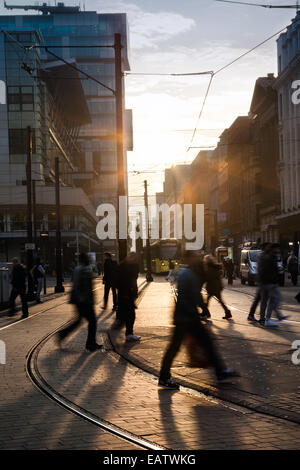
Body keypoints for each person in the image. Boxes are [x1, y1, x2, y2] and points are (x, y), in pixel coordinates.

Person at [158, 251, 239, 390]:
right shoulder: (187, 274)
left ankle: (220, 371)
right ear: (189, 259)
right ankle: (164, 377)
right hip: (187, 318)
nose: (198, 258)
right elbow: (188, 296)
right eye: (195, 256)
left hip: (186, 317)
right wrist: (199, 310)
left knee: (202, 344)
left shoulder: (189, 272)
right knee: (180, 347)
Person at [57, 252, 102, 351]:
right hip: (83, 300)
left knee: (79, 321)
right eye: (88, 258)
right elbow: (82, 285)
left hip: (79, 299)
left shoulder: (79, 268)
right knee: (92, 321)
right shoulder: (83, 269)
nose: (89, 260)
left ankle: (63, 334)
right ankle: (90, 344)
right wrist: (84, 298)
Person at [259, 243, 288, 327]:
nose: (279, 250)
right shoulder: (268, 257)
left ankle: (275, 316)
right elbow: (265, 270)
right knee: (274, 300)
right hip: (269, 282)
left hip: (268, 282)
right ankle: (268, 319)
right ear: (274, 249)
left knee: (273, 300)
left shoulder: (271, 257)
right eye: (277, 249)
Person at [114, 252, 140, 341]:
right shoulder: (124, 267)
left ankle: (122, 327)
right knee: (130, 314)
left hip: (126, 293)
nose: (134, 259)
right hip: (125, 294)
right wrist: (125, 293)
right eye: (133, 258)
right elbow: (123, 281)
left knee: (125, 313)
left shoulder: (128, 265)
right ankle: (129, 333)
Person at [247, 242, 271, 323]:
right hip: (264, 281)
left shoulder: (261, 255)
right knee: (264, 300)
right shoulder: (264, 256)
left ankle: (251, 315)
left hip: (262, 281)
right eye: (268, 247)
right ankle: (262, 318)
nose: (270, 248)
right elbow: (263, 269)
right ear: (265, 247)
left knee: (257, 299)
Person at [203, 255, 232, 320]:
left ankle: (206, 314)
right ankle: (227, 312)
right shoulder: (215, 266)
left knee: (207, 301)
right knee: (220, 301)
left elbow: (209, 277)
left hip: (213, 287)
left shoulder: (210, 267)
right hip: (217, 286)